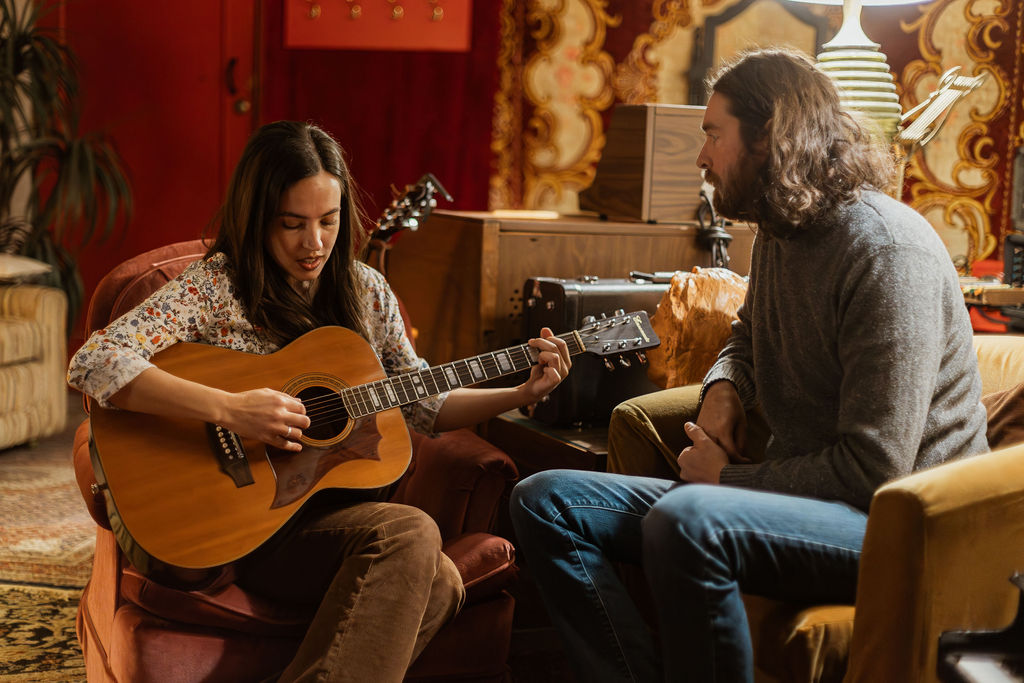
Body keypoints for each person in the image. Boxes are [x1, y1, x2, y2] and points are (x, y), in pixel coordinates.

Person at [509, 47, 989, 682]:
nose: (702, 157)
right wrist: (725, 384)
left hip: (901, 529)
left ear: (770, 137)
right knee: (545, 501)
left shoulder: (886, 252)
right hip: (809, 505)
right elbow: (748, 335)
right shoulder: (781, 232)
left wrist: (723, 483)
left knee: (688, 517)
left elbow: (875, 471)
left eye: (713, 134)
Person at [67, 120, 571, 682]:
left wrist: (520, 393)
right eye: (292, 224)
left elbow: (423, 406)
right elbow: (94, 362)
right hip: (242, 524)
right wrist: (229, 409)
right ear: (257, 217)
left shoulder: (365, 291)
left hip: (327, 522)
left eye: (328, 222)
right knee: (416, 539)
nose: (314, 244)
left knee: (439, 575)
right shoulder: (215, 288)